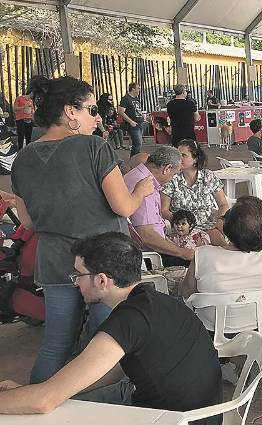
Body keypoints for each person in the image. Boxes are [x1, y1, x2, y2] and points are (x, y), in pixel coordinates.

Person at [0, 233, 223, 425]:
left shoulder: (127, 320)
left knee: (40, 418)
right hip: (205, 416)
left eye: (78, 274)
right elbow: (109, 372)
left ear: (102, 280)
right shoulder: (157, 300)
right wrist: (42, 392)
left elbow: (44, 401)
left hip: (174, 423)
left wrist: (44, 394)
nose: (76, 282)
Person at [11, 75, 155, 384]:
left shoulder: (23, 159)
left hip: (55, 263)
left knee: (55, 347)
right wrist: (142, 190)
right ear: (70, 111)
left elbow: (29, 222)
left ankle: (38, 406)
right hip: (105, 265)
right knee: (106, 343)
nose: (99, 116)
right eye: (92, 109)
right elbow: (124, 207)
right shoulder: (94, 147)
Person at [180, 196, 262, 335]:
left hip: (213, 328)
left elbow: (186, 292)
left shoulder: (203, 255)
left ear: (227, 229)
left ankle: (217, 354)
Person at [124, 146, 192, 267]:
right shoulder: (144, 185)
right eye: (174, 174)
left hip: (152, 245)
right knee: (200, 263)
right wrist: (182, 253)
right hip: (150, 254)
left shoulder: (138, 174)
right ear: (167, 169)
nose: (172, 178)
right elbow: (147, 236)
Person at [160, 140, 228, 247]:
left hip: (209, 225)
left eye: (184, 155)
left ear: (195, 158)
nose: (179, 159)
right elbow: (164, 210)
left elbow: (223, 204)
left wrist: (220, 221)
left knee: (217, 237)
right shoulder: (172, 178)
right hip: (183, 228)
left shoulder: (208, 176)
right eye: (178, 155)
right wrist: (181, 223)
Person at [118, 82, 145, 156]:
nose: (139, 90)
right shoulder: (126, 98)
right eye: (138, 88)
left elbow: (137, 110)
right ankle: (133, 160)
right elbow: (120, 111)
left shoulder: (136, 98)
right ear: (133, 89)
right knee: (137, 143)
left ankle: (135, 159)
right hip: (133, 124)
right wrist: (130, 121)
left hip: (139, 122)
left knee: (138, 143)